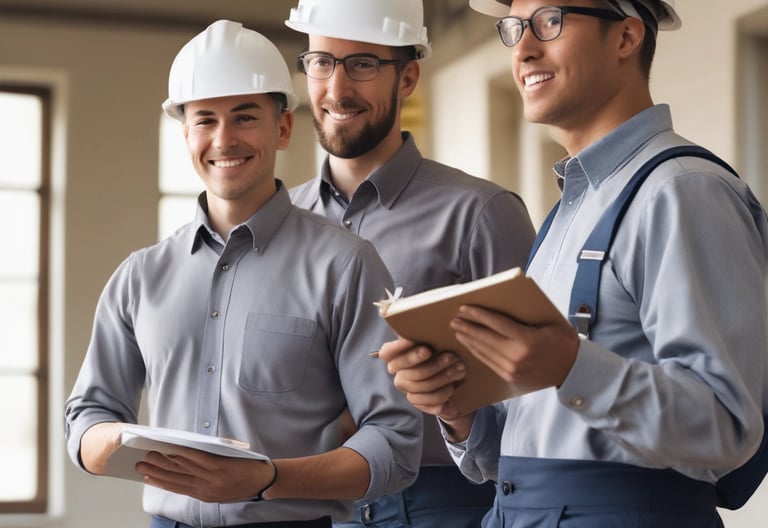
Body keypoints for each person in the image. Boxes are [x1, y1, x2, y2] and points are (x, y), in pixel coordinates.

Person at [379, 0, 768, 527]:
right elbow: (515, 457)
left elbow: (728, 426)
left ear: (627, 37)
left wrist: (571, 367)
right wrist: (457, 409)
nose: (524, 48)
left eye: (550, 22)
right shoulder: (572, 209)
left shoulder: (680, 192)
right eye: (515, 28)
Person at [64, 19, 422, 528]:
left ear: (282, 127)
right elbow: (86, 417)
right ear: (186, 133)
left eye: (245, 117)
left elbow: (395, 442)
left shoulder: (345, 265)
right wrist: (122, 443)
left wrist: (267, 478)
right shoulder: (139, 277)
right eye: (205, 119)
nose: (224, 139)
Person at [284, 0, 537, 526]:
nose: (335, 89)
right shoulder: (281, 223)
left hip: (442, 502)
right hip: (309, 500)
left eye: (363, 64)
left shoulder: (481, 215)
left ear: (408, 78)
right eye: (322, 62)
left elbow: (535, 406)